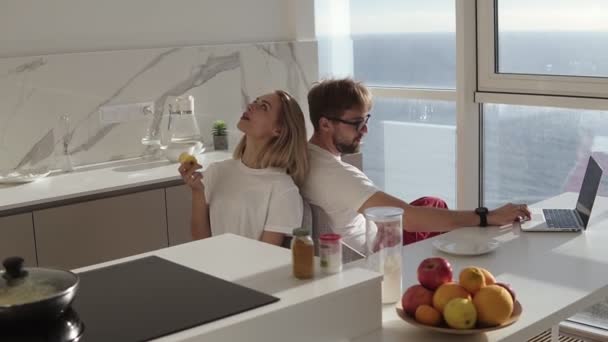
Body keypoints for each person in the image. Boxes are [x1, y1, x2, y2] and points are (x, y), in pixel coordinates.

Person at [302, 78, 531, 253]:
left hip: (367, 233)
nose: (365, 130)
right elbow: (408, 218)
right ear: (325, 124)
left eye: (367, 120)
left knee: (433, 203)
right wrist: (487, 216)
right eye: (356, 123)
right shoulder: (338, 176)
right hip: (380, 251)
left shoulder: (307, 156)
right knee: (442, 216)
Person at [179, 90, 309, 246]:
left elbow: (268, 257)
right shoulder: (218, 171)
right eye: (255, 101)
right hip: (211, 267)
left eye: (264, 106)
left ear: (278, 130)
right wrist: (197, 192)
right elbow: (200, 241)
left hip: (250, 270)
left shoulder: (283, 189)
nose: (251, 106)